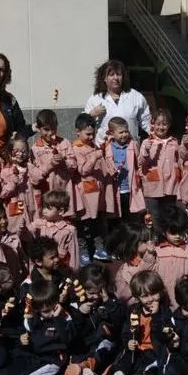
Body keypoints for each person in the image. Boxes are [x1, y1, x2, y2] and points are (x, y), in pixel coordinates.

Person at [71, 113, 111, 264]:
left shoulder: (94, 146)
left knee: (97, 222)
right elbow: (83, 170)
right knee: (83, 224)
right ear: (78, 132)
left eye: (92, 134)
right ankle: (83, 252)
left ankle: (99, 249)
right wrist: (94, 158)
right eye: (87, 134)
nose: (90, 137)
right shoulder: (76, 148)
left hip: (96, 192)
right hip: (84, 194)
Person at [152, 204, 188, 309]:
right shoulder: (157, 252)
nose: (177, 236)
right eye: (173, 232)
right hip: (161, 299)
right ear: (164, 232)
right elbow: (150, 274)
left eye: (180, 232)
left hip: (182, 300)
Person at [85, 59, 151, 143]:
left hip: (131, 149)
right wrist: (92, 114)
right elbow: (82, 124)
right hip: (105, 149)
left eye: (118, 74)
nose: (115, 78)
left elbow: (146, 121)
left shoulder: (135, 96)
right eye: (111, 75)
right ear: (104, 78)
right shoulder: (96, 98)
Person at [139, 108, 179, 235]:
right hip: (153, 187)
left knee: (168, 214)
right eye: (158, 124)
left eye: (165, 124)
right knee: (153, 216)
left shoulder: (174, 141)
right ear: (153, 124)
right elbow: (141, 163)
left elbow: (179, 161)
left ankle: (168, 237)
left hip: (170, 185)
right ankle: (155, 239)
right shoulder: (147, 142)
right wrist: (146, 150)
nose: (161, 127)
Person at [31, 190, 79, 271]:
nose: (44, 211)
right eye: (44, 207)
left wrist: (74, 272)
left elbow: (74, 254)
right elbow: (27, 235)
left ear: (61, 211)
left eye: (48, 208)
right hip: (43, 268)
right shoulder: (39, 224)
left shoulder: (69, 230)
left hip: (61, 268)